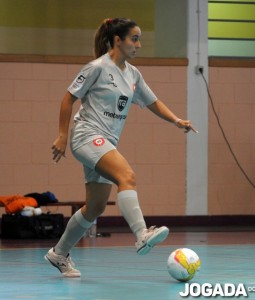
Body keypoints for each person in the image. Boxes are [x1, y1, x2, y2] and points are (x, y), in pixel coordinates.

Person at [45, 17, 198, 278]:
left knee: (95, 207)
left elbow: (153, 102)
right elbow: (68, 98)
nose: (138, 45)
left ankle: (59, 253)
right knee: (127, 176)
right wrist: (61, 136)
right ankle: (141, 234)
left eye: (140, 40)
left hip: (106, 142)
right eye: (134, 39)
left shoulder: (133, 74)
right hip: (87, 136)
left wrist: (176, 120)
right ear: (118, 40)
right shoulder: (97, 67)